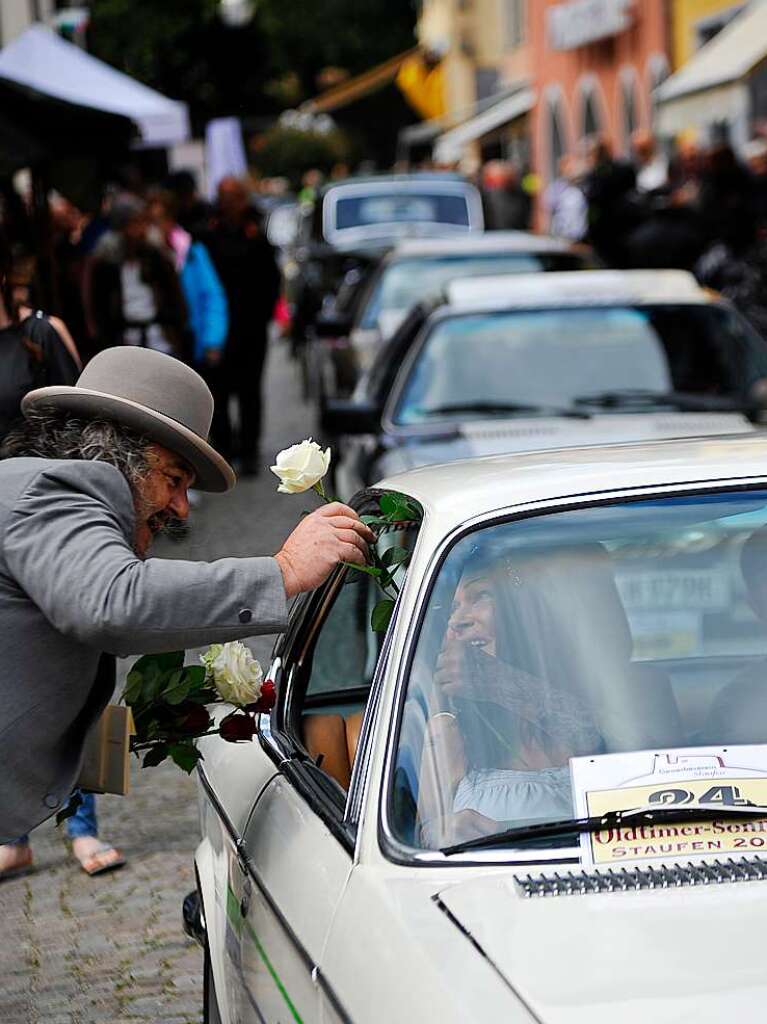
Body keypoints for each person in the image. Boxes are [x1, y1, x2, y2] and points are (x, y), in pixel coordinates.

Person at [0, 345, 374, 850]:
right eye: (173, 480)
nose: (181, 509)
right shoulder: (56, 489)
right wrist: (282, 571)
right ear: (114, 455)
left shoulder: (33, 487)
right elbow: (112, 604)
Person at [419, 555, 601, 845]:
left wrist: (497, 681)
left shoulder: (600, 704)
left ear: (523, 611)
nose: (459, 620)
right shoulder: (448, 733)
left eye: (480, 597)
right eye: (453, 608)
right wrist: (440, 832)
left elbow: (593, 739)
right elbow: (420, 837)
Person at [203, 177, 281, 474]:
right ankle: (225, 447)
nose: (229, 202)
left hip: (251, 326)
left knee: (250, 391)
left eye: (234, 196)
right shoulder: (209, 232)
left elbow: (271, 280)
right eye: (224, 196)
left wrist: (263, 315)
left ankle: (249, 451)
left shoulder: (256, 233)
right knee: (219, 391)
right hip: (219, 326)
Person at [88, 193, 189, 356]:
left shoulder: (156, 259)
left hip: (160, 340)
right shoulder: (108, 265)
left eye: (143, 222)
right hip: (125, 343)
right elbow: (100, 308)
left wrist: (176, 329)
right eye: (134, 223)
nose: (140, 230)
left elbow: (176, 300)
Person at [147, 189, 228, 369]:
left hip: (187, 346)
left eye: (160, 219)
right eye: (151, 221)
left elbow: (212, 297)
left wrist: (212, 340)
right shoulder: (145, 258)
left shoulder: (192, 252)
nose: (157, 227)